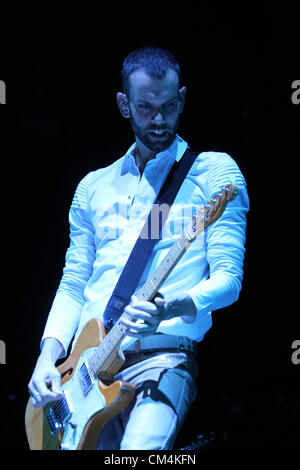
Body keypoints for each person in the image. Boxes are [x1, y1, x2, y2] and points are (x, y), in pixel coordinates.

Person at [28, 46, 249, 450]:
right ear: (124, 104)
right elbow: (75, 282)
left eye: (169, 105)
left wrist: (171, 307)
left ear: (181, 98)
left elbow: (229, 280)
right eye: (146, 107)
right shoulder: (93, 186)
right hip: (85, 370)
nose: (159, 119)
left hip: (162, 358)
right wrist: (48, 357)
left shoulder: (213, 171)